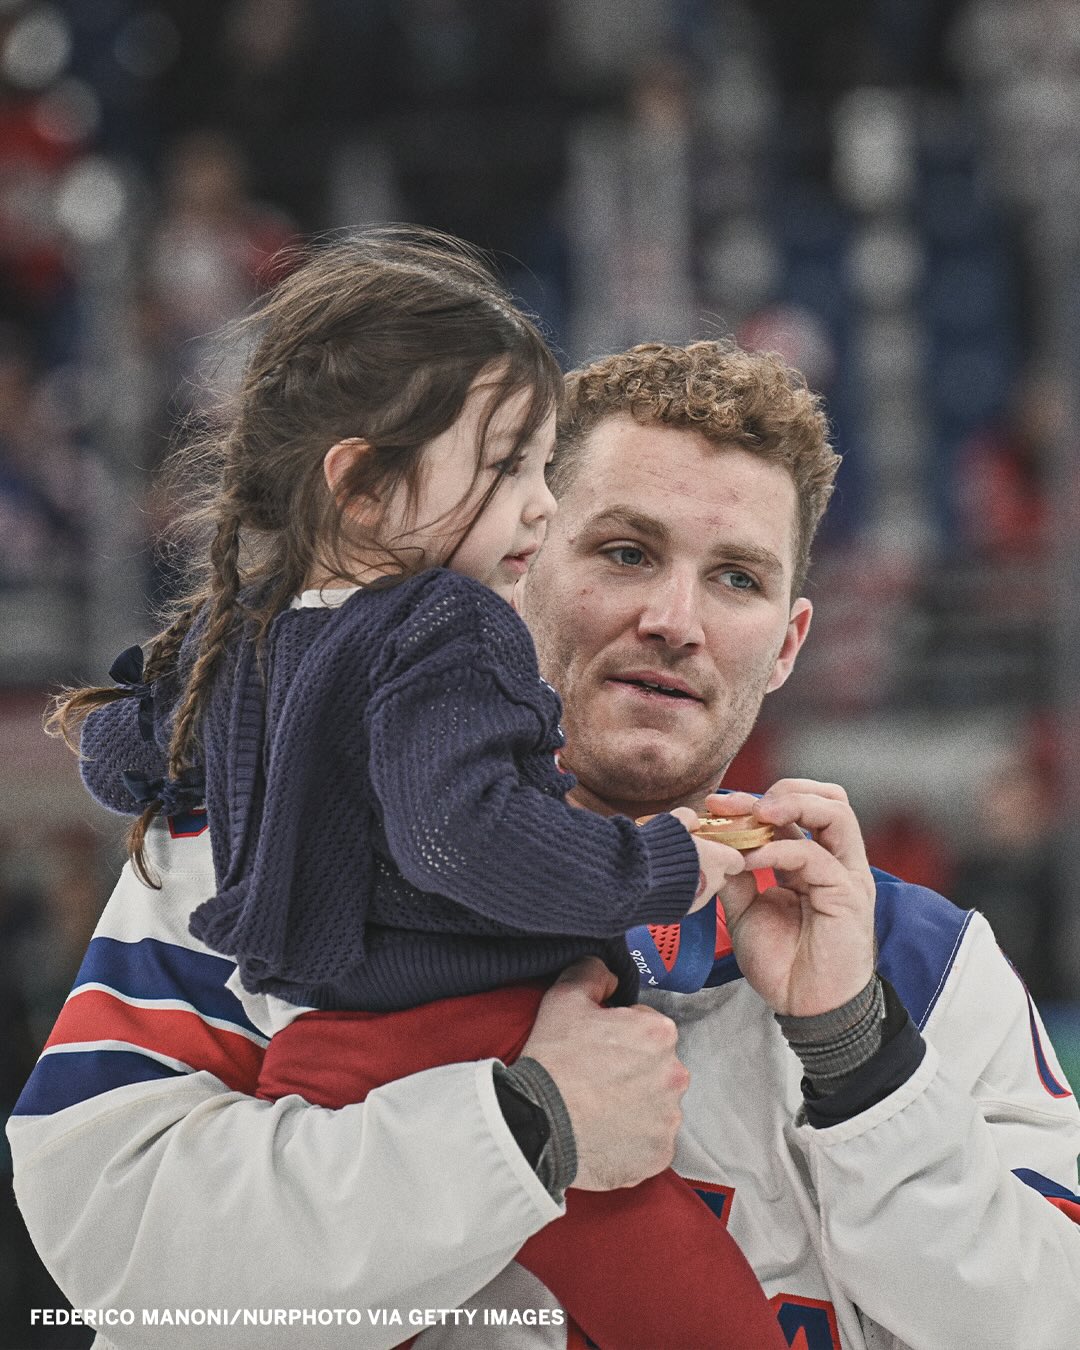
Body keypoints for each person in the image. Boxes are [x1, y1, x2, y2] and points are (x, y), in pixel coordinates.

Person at [11, 338, 1080, 1350]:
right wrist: (524, 1130)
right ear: (518, 562)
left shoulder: (920, 964)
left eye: (738, 580)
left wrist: (860, 1061)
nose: (676, 618)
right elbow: (114, 1255)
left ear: (791, 643)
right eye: (625, 551)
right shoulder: (260, 853)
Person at [36, 231, 782, 1350]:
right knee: (718, 1326)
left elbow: (131, 753)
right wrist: (669, 863)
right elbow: (457, 840)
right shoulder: (451, 623)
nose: (541, 505)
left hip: (311, 1057)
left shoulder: (230, 635)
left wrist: (109, 737)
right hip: (465, 1034)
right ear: (367, 482)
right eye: (511, 467)